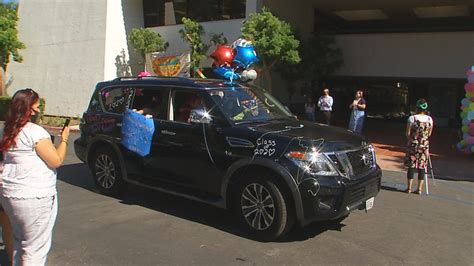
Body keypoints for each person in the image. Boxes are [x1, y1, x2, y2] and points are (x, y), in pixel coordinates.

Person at [0, 88, 70, 265]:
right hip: (35, 197)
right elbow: (56, 160)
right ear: (29, 108)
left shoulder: (7, 130)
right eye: (37, 106)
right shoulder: (35, 132)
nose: (39, 110)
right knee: (34, 248)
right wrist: (64, 140)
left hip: (9, 194)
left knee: (18, 241)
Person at [404, 98, 433, 194]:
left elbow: (407, 133)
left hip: (413, 144)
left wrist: (412, 137)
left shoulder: (412, 118)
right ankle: (419, 189)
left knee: (411, 165)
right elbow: (429, 134)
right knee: (422, 166)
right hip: (424, 145)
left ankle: (409, 188)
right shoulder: (430, 119)